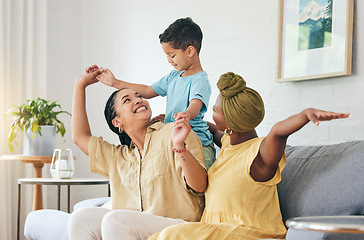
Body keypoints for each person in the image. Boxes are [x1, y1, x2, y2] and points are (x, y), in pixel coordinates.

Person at [147, 72, 349, 240]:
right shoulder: (228, 143)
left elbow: (278, 132)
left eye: (215, 110)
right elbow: (211, 129)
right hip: (216, 231)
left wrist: (305, 115)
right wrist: (180, 119)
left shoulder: (259, 157)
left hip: (251, 234)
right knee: (160, 236)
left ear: (230, 123)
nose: (212, 113)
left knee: (172, 236)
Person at [68, 68, 207, 240]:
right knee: (80, 218)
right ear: (117, 122)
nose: (139, 100)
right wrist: (80, 84)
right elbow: (80, 137)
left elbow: (200, 185)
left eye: (139, 96)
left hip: (178, 227)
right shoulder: (118, 158)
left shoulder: (174, 132)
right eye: (127, 100)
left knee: (115, 219)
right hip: (135, 226)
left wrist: (180, 146)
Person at [87, 17, 216, 170]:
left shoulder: (200, 80)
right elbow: (148, 91)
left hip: (199, 143)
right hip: (175, 140)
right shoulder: (173, 76)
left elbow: (196, 103)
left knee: (200, 185)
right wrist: (115, 82)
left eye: (172, 55)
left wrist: (187, 114)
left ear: (189, 51)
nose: (169, 60)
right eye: (167, 55)